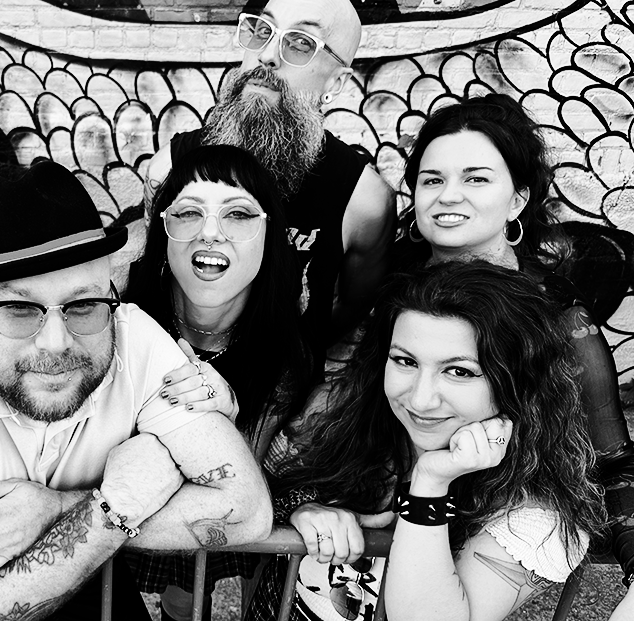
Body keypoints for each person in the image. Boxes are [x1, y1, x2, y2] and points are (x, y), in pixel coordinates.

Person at [0, 159, 272, 620]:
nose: (56, 343)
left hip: (89, 570)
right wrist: (114, 507)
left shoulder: (135, 341)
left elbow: (246, 511)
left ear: (111, 293)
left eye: (83, 304)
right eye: (20, 309)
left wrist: (61, 509)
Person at [247, 261, 605, 621]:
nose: (420, 400)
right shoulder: (348, 415)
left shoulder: (537, 521)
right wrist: (303, 508)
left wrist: (431, 484)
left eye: (459, 371)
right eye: (405, 361)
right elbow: (255, 486)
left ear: (520, 382)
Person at [393, 93, 634, 595]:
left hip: (479, 551)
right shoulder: (389, 289)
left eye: (476, 179)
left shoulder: (556, 316)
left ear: (518, 199)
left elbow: (612, 462)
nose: (448, 196)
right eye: (432, 180)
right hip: (366, 525)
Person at [143, 0, 396, 359]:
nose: (267, 55)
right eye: (263, 31)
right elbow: (155, 275)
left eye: (300, 42)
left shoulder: (364, 202)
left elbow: (348, 307)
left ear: (337, 81)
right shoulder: (169, 168)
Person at [123, 144, 310, 620]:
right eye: (188, 212)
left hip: (216, 516)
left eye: (238, 215)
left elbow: (247, 487)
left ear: (269, 234)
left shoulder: (284, 351)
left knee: (211, 587)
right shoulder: (121, 314)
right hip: (130, 511)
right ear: (163, 230)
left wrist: (231, 410)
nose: (210, 231)